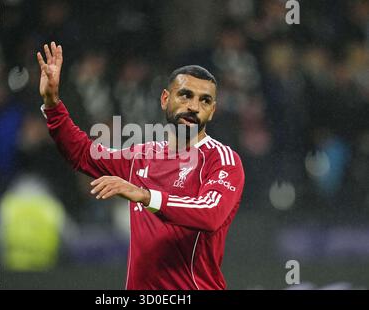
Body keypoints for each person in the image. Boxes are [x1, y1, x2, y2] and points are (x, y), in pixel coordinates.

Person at [36, 42, 245, 290]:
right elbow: (82, 153)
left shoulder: (222, 159)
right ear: (165, 99)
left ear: (212, 111)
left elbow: (210, 213)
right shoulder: (141, 156)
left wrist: (146, 196)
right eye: (185, 95)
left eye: (205, 100)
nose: (193, 107)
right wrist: (52, 104)